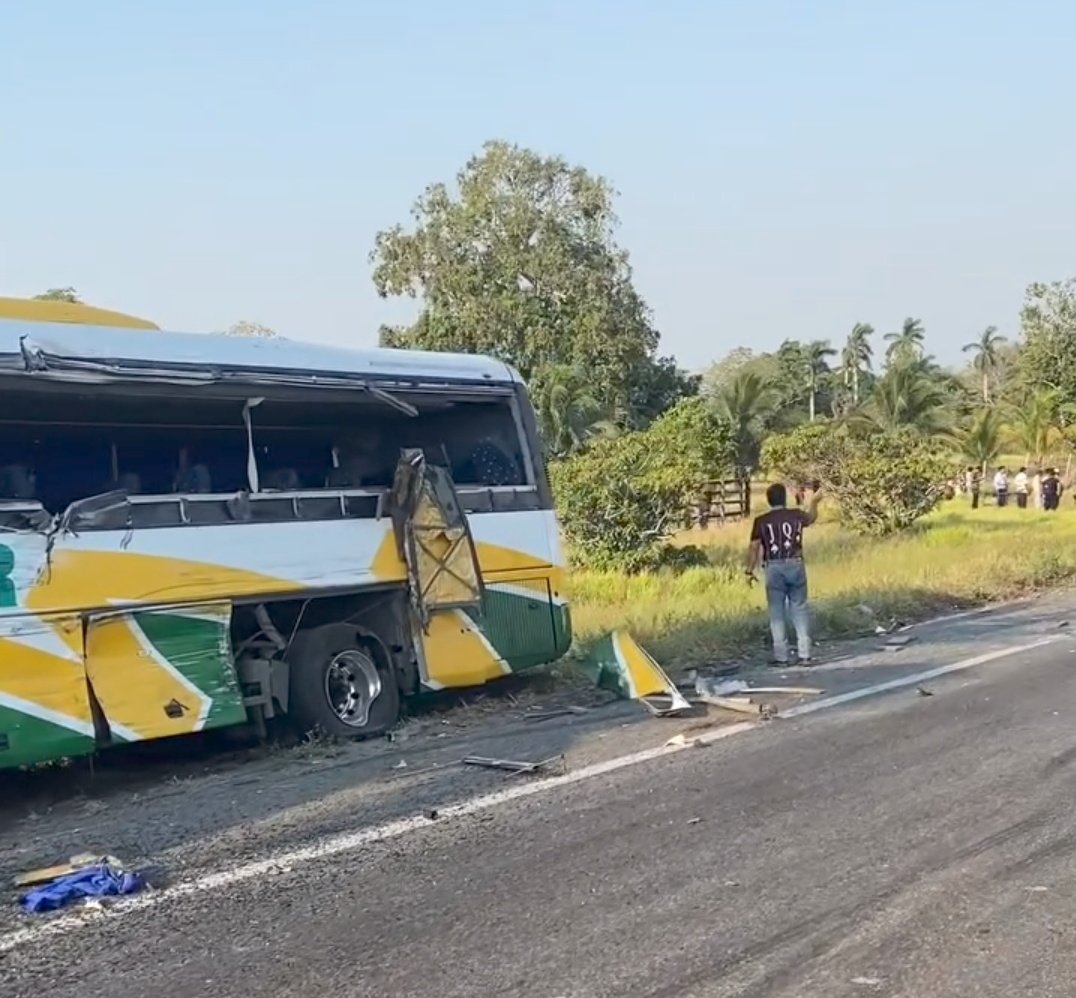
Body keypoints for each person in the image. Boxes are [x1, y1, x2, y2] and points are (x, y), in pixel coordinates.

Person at [745, 482, 823, 666]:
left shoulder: (761, 521)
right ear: (784, 498)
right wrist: (814, 502)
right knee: (799, 608)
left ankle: (781, 657)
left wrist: (749, 570)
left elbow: (754, 547)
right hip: (795, 563)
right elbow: (811, 518)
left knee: (776, 612)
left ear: (768, 500)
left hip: (773, 566)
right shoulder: (795, 515)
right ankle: (804, 654)